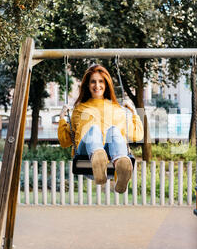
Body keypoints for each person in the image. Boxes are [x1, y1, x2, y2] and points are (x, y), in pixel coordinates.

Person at [57, 64, 144, 193]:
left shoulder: (117, 109)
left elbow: (137, 136)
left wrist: (134, 113)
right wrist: (62, 118)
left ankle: (121, 166)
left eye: (100, 81)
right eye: (93, 81)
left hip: (110, 160)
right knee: (94, 130)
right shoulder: (79, 109)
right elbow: (65, 142)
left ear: (106, 84)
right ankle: (97, 159)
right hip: (85, 157)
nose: (97, 85)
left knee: (114, 131)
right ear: (87, 85)